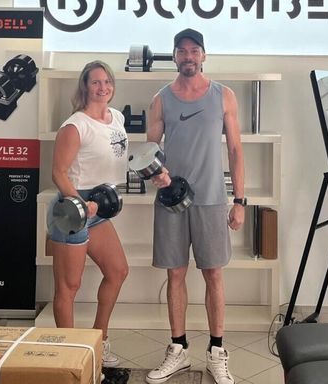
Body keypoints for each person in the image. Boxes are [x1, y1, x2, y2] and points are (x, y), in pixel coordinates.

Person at [145, 29, 245, 384]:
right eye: (182, 51)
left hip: (211, 198)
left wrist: (240, 201)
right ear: (174, 57)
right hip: (171, 200)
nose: (188, 56)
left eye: (194, 51)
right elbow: (149, 151)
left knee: (213, 273)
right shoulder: (160, 99)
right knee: (175, 274)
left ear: (204, 55)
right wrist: (155, 173)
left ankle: (217, 352)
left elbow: (235, 150)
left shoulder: (223, 96)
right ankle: (178, 349)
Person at [49, 60, 129, 368]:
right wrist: (83, 205)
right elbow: (58, 172)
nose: (103, 87)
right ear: (85, 87)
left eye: (107, 81)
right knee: (68, 287)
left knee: (118, 271)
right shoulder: (75, 125)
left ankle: (99, 341)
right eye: (95, 82)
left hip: (100, 206)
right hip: (73, 208)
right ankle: (68, 356)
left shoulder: (116, 117)